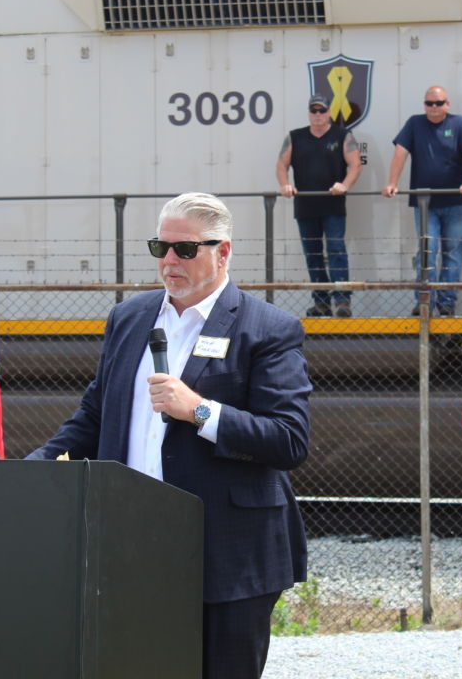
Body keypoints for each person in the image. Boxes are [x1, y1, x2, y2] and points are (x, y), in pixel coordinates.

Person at [26, 192, 310, 679]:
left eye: (185, 249)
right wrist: (37, 465)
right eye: (161, 248)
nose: (170, 261)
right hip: (133, 543)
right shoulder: (129, 318)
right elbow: (95, 414)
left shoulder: (267, 329)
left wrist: (198, 410)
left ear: (222, 252)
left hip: (228, 553)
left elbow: (288, 439)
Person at [381, 86, 462, 315]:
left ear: (447, 104)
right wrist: (392, 182)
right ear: (424, 105)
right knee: (428, 251)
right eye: (429, 103)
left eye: (439, 103)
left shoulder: (459, 123)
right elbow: (400, 153)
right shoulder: (414, 123)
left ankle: (447, 303)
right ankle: (425, 301)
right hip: (425, 203)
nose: (434, 107)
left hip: (456, 201)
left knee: (452, 253)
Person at [275, 94, 362, 318]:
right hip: (305, 205)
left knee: (336, 250)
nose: (318, 115)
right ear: (308, 113)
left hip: (333, 205)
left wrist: (344, 185)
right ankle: (321, 302)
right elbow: (282, 165)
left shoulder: (342, 135)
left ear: (329, 113)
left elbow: (355, 165)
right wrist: (285, 185)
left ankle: (342, 300)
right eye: (314, 111)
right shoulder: (295, 137)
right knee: (312, 254)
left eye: (322, 110)